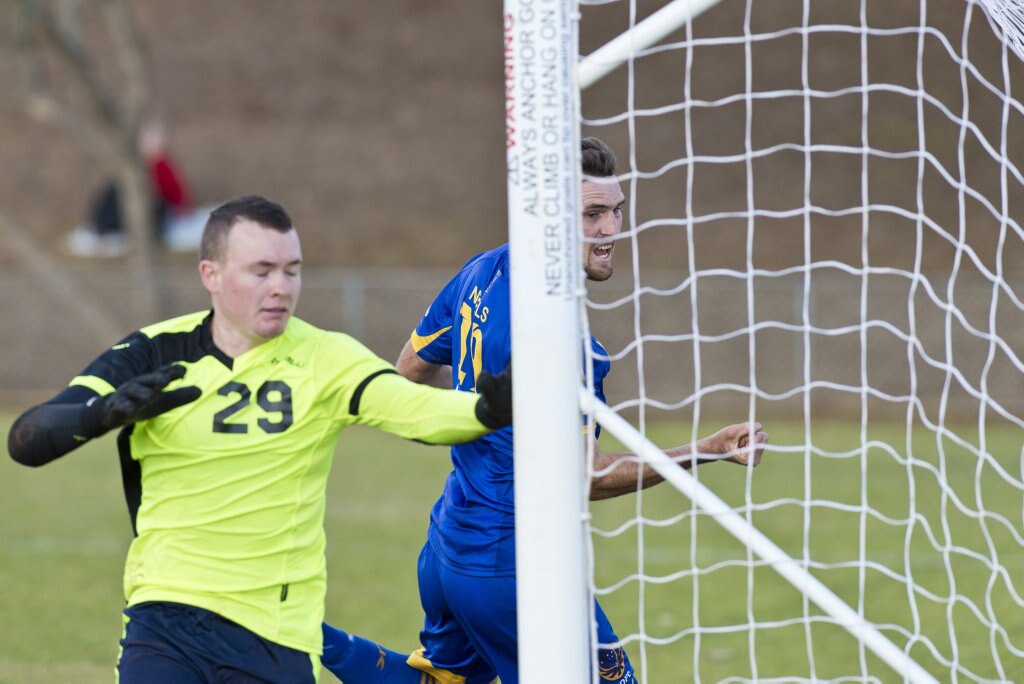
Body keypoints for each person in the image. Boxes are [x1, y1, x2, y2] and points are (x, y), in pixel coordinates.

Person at [8, 194, 512, 683]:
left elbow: (417, 409)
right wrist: (103, 413)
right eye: (261, 271)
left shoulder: (326, 358)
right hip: (164, 622)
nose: (281, 287)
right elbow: (28, 440)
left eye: (292, 270)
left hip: (277, 636)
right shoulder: (154, 352)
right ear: (212, 274)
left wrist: (489, 408)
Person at [319, 138, 768, 684]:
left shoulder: (480, 273)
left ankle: (309, 639)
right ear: (547, 222)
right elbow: (589, 477)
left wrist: (467, 429)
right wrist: (705, 450)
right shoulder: (564, 343)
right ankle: (303, 638)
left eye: (616, 211)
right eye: (593, 215)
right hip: (512, 568)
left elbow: (407, 373)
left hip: (446, 547)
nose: (611, 230)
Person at [66, 120, 202, 257]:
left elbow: (173, 195)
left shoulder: (161, 164)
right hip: (141, 209)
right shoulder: (143, 164)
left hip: (157, 215)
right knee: (114, 189)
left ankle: (104, 227)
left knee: (118, 193)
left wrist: (181, 212)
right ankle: (102, 226)